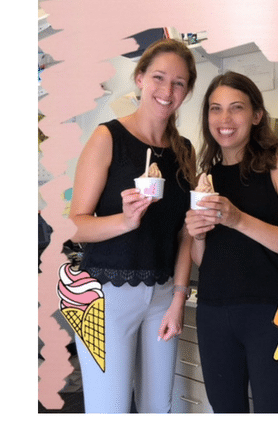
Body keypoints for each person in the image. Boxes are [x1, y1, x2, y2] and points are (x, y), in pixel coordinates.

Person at [68, 38, 197, 413]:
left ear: (187, 91)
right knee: (108, 409)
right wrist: (125, 221)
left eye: (178, 83)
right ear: (140, 78)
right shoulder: (107, 138)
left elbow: (185, 233)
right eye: (159, 77)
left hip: (163, 297)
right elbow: (76, 226)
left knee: (159, 408)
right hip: (106, 296)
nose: (167, 90)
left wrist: (178, 299)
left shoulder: (185, 151)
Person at [185, 71, 278, 413]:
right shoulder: (207, 175)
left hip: (272, 315)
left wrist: (238, 219)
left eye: (236, 107)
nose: (224, 119)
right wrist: (197, 235)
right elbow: (204, 259)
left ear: (256, 115)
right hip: (213, 313)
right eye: (215, 108)